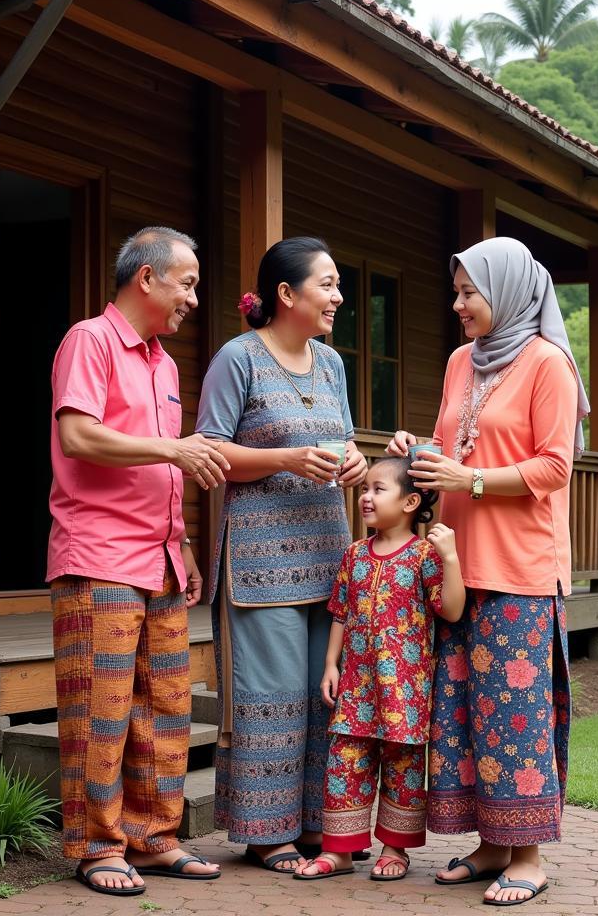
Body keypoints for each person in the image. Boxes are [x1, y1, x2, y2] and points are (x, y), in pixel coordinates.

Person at [387, 236, 589, 907]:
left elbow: (554, 467)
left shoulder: (547, 364)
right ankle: (490, 843)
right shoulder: (458, 362)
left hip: (520, 569)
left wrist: (468, 478)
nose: (458, 305)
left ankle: (527, 856)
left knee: (516, 712)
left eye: (470, 293)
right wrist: (414, 450)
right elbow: (453, 443)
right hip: (457, 564)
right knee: (466, 711)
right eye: (456, 292)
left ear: (505, 292)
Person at [47, 227, 229, 896]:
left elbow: (161, 469)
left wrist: (180, 540)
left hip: (158, 560)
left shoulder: (162, 361)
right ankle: (97, 847)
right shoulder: (88, 340)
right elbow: (78, 434)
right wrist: (174, 447)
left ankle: (152, 838)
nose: (192, 297)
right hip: (99, 555)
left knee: (168, 709)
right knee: (103, 711)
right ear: (146, 278)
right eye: (186, 282)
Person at [195, 237, 369, 874]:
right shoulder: (236, 360)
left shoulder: (331, 364)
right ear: (285, 295)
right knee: (271, 699)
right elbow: (209, 451)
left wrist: (353, 462)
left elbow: (343, 439)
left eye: (338, 283)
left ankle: (324, 828)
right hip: (260, 565)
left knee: (325, 699)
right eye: (327, 284)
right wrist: (285, 459)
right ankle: (267, 834)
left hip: (330, 558)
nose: (338, 296)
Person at [294, 456, 465, 883]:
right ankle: (340, 851)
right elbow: (341, 613)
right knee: (345, 762)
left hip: (404, 689)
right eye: (365, 489)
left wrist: (451, 560)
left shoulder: (424, 555)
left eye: (377, 489)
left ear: (410, 502)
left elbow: (452, 609)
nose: (366, 497)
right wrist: (330, 664)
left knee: (402, 766)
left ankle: (395, 849)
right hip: (355, 684)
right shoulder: (354, 554)